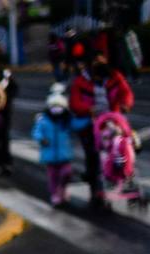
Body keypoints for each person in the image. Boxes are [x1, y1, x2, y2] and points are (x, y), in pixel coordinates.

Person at [68, 58, 105, 209]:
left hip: (109, 123)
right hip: (88, 126)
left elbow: (124, 93)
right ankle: (96, 190)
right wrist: (88, 109)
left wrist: (123, 105)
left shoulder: (112, 77)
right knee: (93, 157)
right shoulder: (79, 82)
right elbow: (74, 103)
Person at [33, 83, 74, 207]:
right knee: (53, 177)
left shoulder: (66, 121)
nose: (57, 109)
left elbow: (77, 125)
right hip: (50, 156)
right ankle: (55, 194)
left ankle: (63, 189)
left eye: (59, 106)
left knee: (67, 173)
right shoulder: (43, 121)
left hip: (64, 155)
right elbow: (36, 131)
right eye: (54, 106)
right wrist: (41, 138)